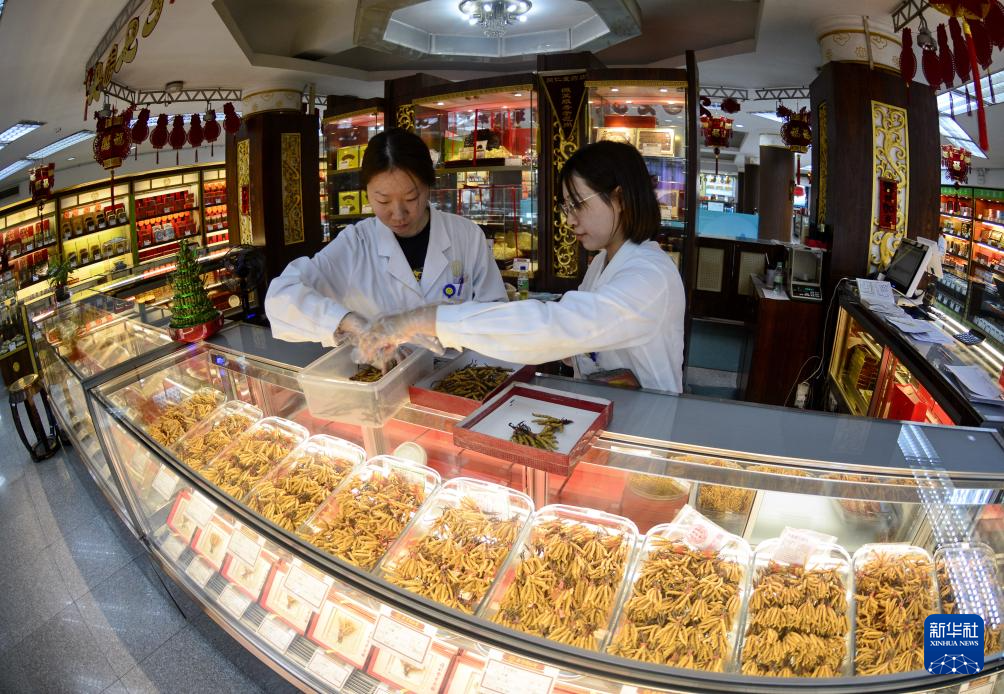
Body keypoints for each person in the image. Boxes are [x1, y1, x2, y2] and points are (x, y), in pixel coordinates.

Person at [355, 140, 686, 393]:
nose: (570, 220)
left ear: (620, 199)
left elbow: (560, 326)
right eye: (566, 207)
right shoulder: (603, 262)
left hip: (645, 426)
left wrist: (428, 319)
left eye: (578, 205)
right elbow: (577, 340)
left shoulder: (650, 276)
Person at [264, 128, 507, 347]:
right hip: (385, 375)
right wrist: (346, 321)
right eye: (383, 201)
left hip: (457, 371)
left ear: (429, 186)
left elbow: (496, 313)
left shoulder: (466, 235)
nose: (398, 214)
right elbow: (281, 297)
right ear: (367, 193)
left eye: (411, 198)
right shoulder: (356, 243)